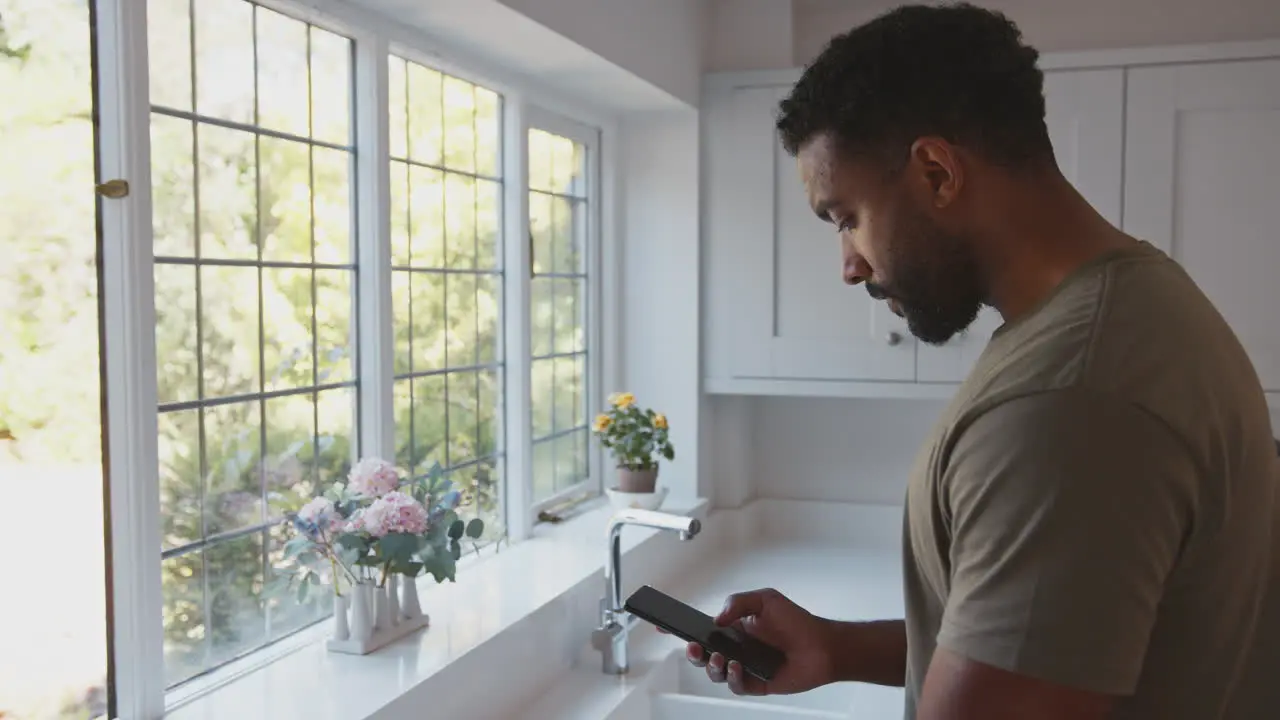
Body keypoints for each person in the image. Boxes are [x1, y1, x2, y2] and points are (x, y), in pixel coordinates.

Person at [684, 4, 1278, 719]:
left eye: (847, 218)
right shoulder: (1132, 310)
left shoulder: (1067, 402)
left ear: (936, 172)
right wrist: (837, 650)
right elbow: (1051, 647)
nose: (849, 265)